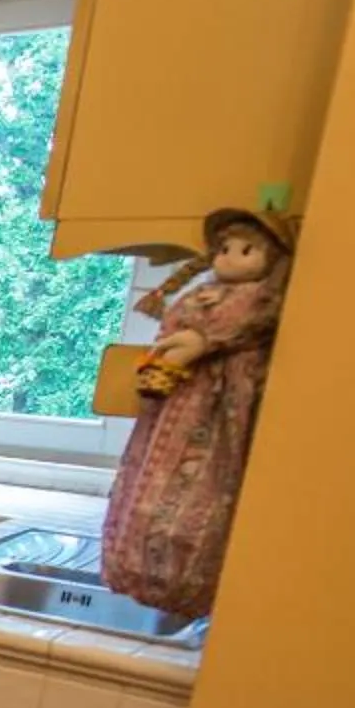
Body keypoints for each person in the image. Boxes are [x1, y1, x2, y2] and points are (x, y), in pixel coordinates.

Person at [99, 193, 298, 619]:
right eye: (225, 248)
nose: (230, 258)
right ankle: (140, 564)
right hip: (177, 399)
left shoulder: (259, 306)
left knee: (203, 489)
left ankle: (184, 578)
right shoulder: (202, 295)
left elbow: (243, 324)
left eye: (246, 250)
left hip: (219, 404)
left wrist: (201, 344)